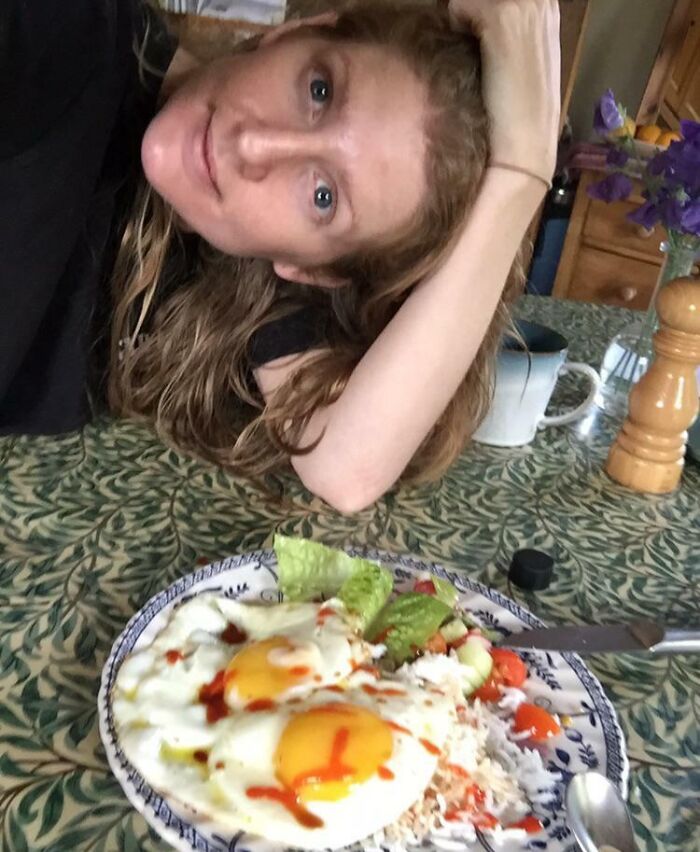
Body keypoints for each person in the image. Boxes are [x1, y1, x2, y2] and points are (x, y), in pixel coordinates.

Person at [0, 0, 560, 512]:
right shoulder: (60, 32)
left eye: (323, 197)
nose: (254, 145)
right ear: (298, 32)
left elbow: (346, 469)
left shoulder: (248, 270)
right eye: (319, 91)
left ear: (314, 271)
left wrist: (523, 174)